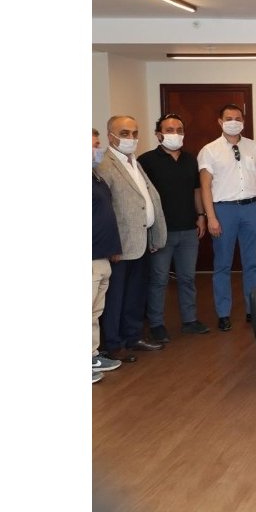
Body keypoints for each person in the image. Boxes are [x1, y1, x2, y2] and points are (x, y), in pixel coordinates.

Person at [96, 116, 168, 360]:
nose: (131, 138)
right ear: (111, 136)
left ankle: (132, 336)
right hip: (120, 245)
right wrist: (112, 245)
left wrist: (154, 234)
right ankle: (113, 344)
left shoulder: (133, 161)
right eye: (125, 133)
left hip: (141, 240)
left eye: (135, 133)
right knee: (116, 297)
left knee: (136, 294)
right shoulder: (104, 165)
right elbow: (105, 210)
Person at [198, 103, 256, 331]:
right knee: (223, 264)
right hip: (224, 211)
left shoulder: (253, 146)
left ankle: (252, 310)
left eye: (238, 118)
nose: (234, 122)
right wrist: (211, 217)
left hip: (251, 209)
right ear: (220, 122)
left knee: (252, 264)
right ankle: (223, 313)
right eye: (229, 118)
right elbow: (205, 186)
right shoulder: (209, 150)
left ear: (243, 121)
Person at [138, 113, 210, 343]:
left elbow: (196, 190)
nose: (175, 134)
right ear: (158, 134)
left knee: (187, 278)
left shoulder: (190, 159)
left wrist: (201, 216)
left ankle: (190, 320)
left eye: (179, 130)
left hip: (188, 230)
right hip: (161, 231)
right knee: (159, 280)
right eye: (169, 130)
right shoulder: (146, 161)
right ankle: (156, 325)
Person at [92, 129, 122, 382]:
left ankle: (91, 356)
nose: (97, 149)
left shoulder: (95, 177)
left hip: (101, 255)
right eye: (94, 145)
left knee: (94, 311)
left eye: (97, 143)